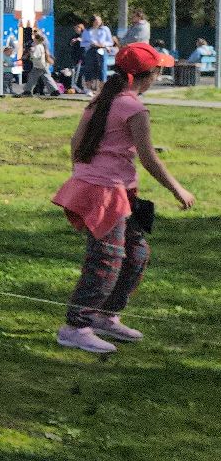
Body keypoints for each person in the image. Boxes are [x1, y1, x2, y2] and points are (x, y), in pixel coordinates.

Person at [52, 43, 196, 353]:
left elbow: (76, 141)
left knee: (136, 254)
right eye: (159, 71)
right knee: (106, 259)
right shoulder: (134, 109)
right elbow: (149, 158)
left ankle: (105, 316)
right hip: (104, 192)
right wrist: (177, 189)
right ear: (152, 74)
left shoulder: (104, 100)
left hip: (109, 189)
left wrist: (82, 173)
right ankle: (75, 326)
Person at [81, 15, 114, 96]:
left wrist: (103, 44)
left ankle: (101, 90)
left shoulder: (105, 29)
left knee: (102, 70)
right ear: (92, 21)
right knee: (89, 69)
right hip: (90, 51)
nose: (98, 22)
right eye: (96, 20)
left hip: (102, 50)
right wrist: (91, 44)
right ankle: (89, 89)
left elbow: (110, 42)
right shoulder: (87, 30)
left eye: (99, 20)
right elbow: (83, 43)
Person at [24, 30, 59, 97]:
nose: (33, 37)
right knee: (43, 76)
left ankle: (27, 91)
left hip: (40, 64)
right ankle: (54, 91)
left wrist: (31, 54)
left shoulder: (38, 45)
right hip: (41, 64)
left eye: (35, 35)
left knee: (35, 77)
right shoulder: (37, 44)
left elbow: (36, 55)